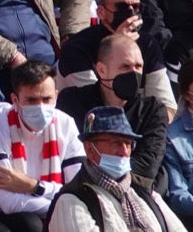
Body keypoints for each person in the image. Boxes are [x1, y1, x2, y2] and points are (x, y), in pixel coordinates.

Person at [0, 60, 84, 232]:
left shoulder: (66, 123)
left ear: (56, 96)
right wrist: (67, 207)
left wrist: (33, 186)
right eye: (32, 100)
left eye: (47, 99)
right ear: (15, 100)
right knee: (31, 226)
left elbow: (79, 189)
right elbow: (9, 203)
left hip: (36, 206)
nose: (40, 107)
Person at [48, 106, 187, 232]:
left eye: (128, 143)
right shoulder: (71, 201)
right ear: (89, 148)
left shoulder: (146, 193)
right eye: (116, 143)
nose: (124, 151)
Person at [58, 34, 170, 190]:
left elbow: (147, 167)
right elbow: (71, 160)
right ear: (101, 70)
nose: (134, 74)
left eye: (138, 67)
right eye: (125, 67)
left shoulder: (153, 110)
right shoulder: (72, 102)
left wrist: (99, 167)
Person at [58, 0, 173, 105]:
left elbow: (166, 106)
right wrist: (117, 47)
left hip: (140, 123)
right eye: (122, 7)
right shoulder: (76, 48)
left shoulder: (148, 44)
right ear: (101, 12)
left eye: (136, 7)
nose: (130, 12)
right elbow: (93, 106)